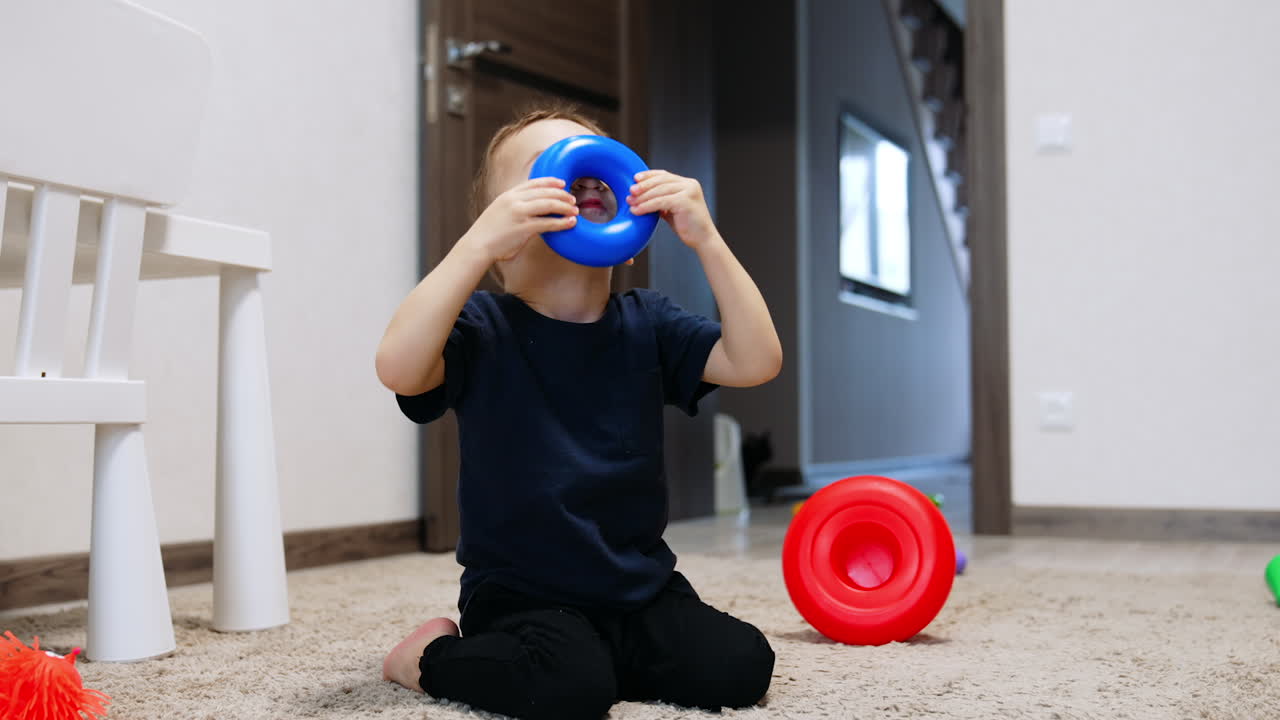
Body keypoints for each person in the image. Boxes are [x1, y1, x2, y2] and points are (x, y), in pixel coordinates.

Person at [375, 105, 783, 720]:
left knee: (742, 665)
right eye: (544, 175)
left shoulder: (649, 322)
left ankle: (601, 655)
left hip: (637, 588)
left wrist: (708, 238)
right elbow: (398, 368)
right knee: (567, 690)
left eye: (594, 175)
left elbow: (756, 361)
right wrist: (472, 245)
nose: (581, 180)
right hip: (521, 595)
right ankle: (426, 657)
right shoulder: (483, 327)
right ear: (502, 243)